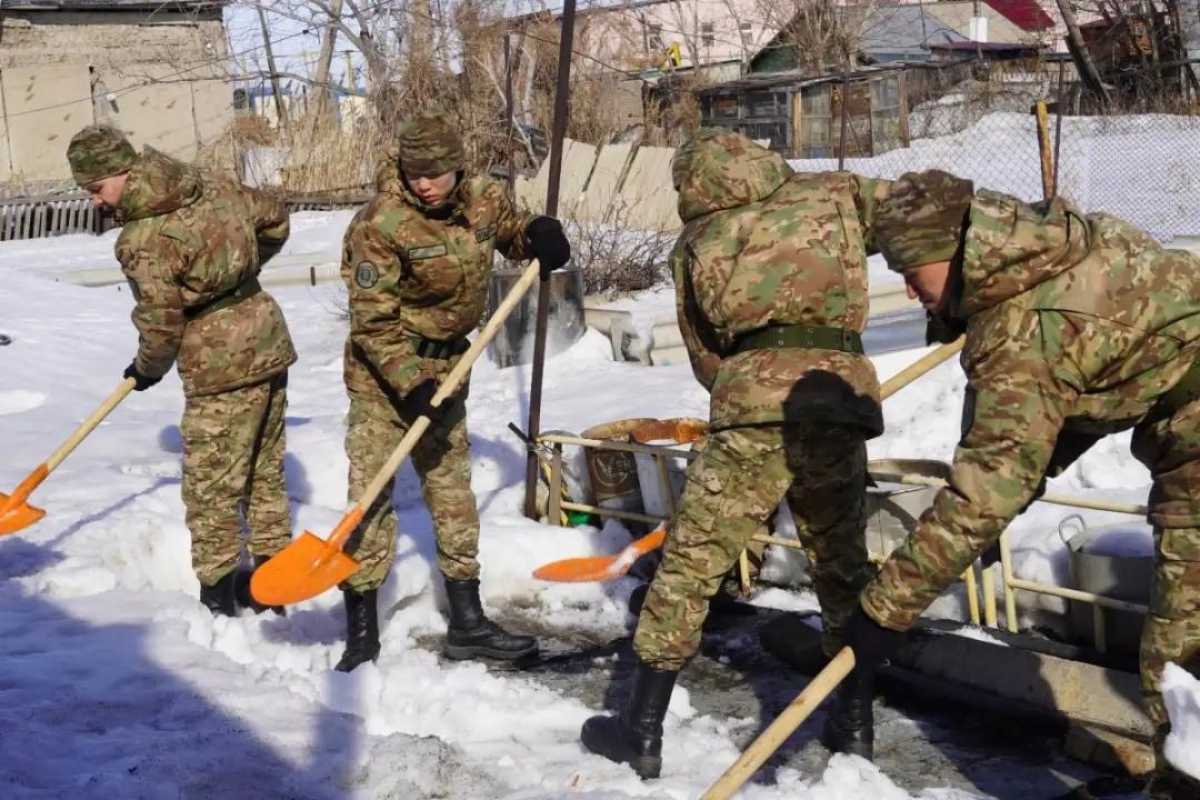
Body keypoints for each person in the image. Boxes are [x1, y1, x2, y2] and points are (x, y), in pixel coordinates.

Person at [845, 169, 1200, 799]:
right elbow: (1096, 379)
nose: (906, 286)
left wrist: (883, 609)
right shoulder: (1059, 246)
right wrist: (1019, 484)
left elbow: (990, 482)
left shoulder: (1020, 327)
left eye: (912, 267)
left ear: (955, 253)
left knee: (1178, 668)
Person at [581, 129, 895, 778]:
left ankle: (640, 732)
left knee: (691, 567)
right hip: (837, 397)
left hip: (751, 403)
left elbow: (705, 357)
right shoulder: (832, 195)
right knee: (840, 565)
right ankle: (854, 725)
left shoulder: (696, 241)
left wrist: (748, 389)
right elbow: (914, 224)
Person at [334, 111, 571, 672]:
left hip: (450, 366)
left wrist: (536, 233)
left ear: (457, 168)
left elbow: (512, 232)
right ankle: (361, 636)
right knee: (371, 496)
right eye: (416, 173)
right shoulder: (381, 224)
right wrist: (410, 383)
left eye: (436, 173)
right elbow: (372, 323)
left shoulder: (483, 197)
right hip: (384, 374)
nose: (425, 183)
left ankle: (467, 623)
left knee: (452, 496)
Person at [66, 125, 296, 617]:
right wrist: (239, 271)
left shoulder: (142, 240)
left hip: (219, 363)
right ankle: (274, 585)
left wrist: (147, 368)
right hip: (266, 335)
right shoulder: (207, 183)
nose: (97, 202)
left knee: (211, 486)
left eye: (97, 189)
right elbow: (274, 219)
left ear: (123, 173)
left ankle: (217, 599)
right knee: (262, 470)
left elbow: (161, 322)